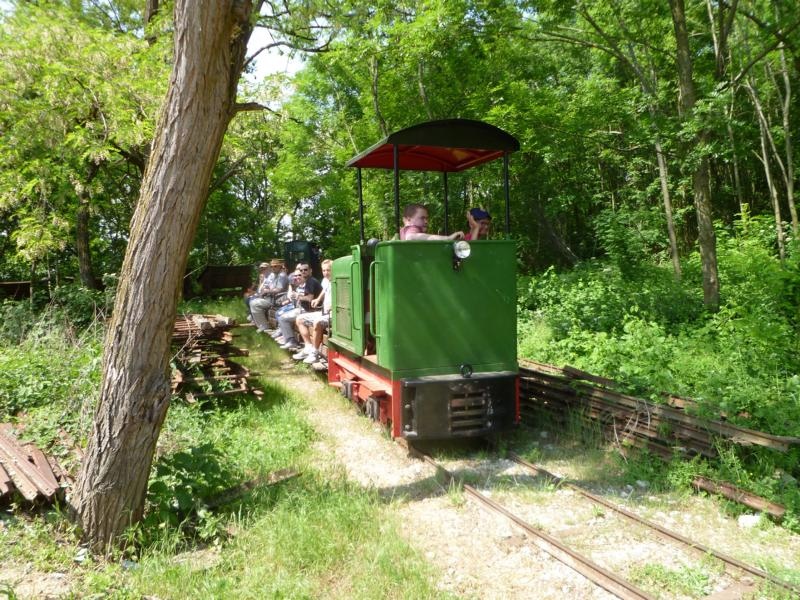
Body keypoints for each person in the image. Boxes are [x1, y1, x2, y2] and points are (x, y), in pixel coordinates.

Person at [293, 259, 332, 364]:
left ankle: (314, 354)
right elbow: (324, 290)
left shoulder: (338, 281)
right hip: (324, 312)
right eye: (324, 270)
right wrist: (318, 299)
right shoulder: (325, 280)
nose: (326, 273)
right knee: (300, 319)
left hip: (333, 314)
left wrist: (332, 306)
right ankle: (308, 347)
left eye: (328, 270)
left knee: (317, 322)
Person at [277, 262, 323, 350]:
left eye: (305, 270)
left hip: (310, 310)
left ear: (310, 270)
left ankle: (291, 341)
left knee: (283, 318)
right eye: (301, 270)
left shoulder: (311, 281)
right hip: (304, 308)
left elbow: (309, 298)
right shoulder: (307, 281)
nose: (303, 272)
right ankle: (288, 339)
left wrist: (298, 296)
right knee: (281, 315)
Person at [250, 259, 288, 332]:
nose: (273, 268)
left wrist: (267, 291)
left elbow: (279, 290)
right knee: (252, 300)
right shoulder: (273, 275)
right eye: (272, 266)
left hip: (278, 299)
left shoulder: (282, 276)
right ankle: (261, 324)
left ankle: (264, 326)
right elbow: (267, 286)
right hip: (270, 297)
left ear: (280, 267)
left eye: (275, 266)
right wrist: (265, 289)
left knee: (254, 304)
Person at [400, 204, 465, 241]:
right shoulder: (411, 228)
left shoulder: (403, 230)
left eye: (427, 218)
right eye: (422, 218)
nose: (426, 221)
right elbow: (411, 236)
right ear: (408, 220)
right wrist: (448, 238)